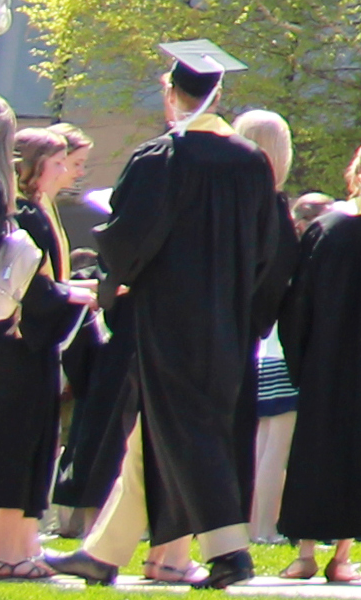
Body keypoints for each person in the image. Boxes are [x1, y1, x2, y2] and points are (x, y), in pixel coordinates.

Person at [84, 41, 288, 585]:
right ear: (218, 95)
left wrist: (112, 286)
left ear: (172, 94)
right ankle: (103, 552)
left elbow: (126, 239)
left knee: (187, 427)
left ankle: (228, 549)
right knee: (157, 431)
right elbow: (271, 248)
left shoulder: (163, 159)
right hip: (229, 317)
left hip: (168, 316)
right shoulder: (252, 164)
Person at [272, 141, 361, 581]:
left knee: (316, 454)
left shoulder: (324, 229)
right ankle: (344, 556)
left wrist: (302, 360)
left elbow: (296, 304)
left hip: (326, 362)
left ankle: (305, 553)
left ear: (354, 173)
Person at [0, 126, 82, 572]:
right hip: (18, 344)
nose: (67, 169)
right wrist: (74, 296)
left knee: (36, 443)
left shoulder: (39, 211)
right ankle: (7, 553)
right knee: (16, 444)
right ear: (34, 166)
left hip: (31, 346)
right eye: (58, 160)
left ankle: (22, 546)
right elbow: (30, 287)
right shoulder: (23, 215)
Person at [227, 112, 303, 578]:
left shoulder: (225, 202)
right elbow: (274, 279)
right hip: (251, 337)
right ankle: (250, 527)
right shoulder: (273, 209)